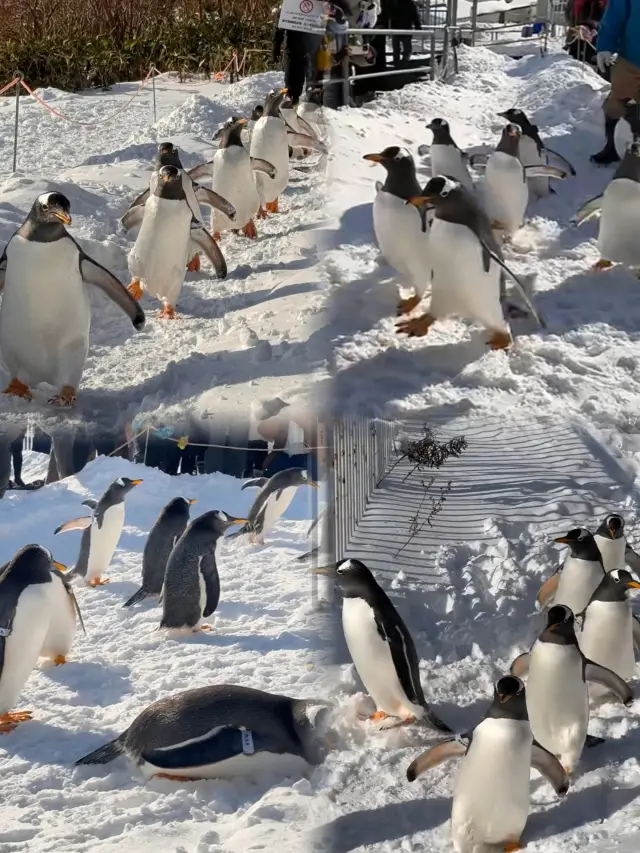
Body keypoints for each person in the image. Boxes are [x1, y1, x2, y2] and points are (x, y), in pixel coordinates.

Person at [592, 0, 640, 164]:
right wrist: (606, 45)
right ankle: (612, 147)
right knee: (616, 104)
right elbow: (614, 14)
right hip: (630, 59)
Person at [379, 0, 421, 68]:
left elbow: (389, 14)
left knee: (399, 48)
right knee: (405, 48)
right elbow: (415, 16)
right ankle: (403, 61)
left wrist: (387, 27)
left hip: (399, 28)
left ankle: (399, 62)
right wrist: (418, 26)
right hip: (404, 28)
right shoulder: (409, 4)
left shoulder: (396, 3)